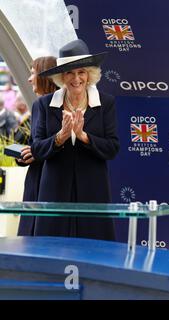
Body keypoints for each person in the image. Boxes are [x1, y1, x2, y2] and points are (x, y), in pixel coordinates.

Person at [31, 39, 120, 241]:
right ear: (61, 76)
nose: (76, 78)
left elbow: (112, 148)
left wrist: (84, 137)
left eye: (81, 72)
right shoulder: (44, 104)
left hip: (94, 189)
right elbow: (36, 149)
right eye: (70, 72)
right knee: (51, 248)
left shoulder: (106, 103)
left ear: (89, 74)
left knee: (96, 250)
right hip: (53, 189)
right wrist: (59, 137)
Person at [16, 56, 58, 236]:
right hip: (40, 179)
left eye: (33, 73)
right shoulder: (42, 105)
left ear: (44, 76)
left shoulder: (42, 105)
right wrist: (26, 155)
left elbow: (41, 146)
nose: (29, 78)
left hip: (43, 183)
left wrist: (36, 151)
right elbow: (35, 145)